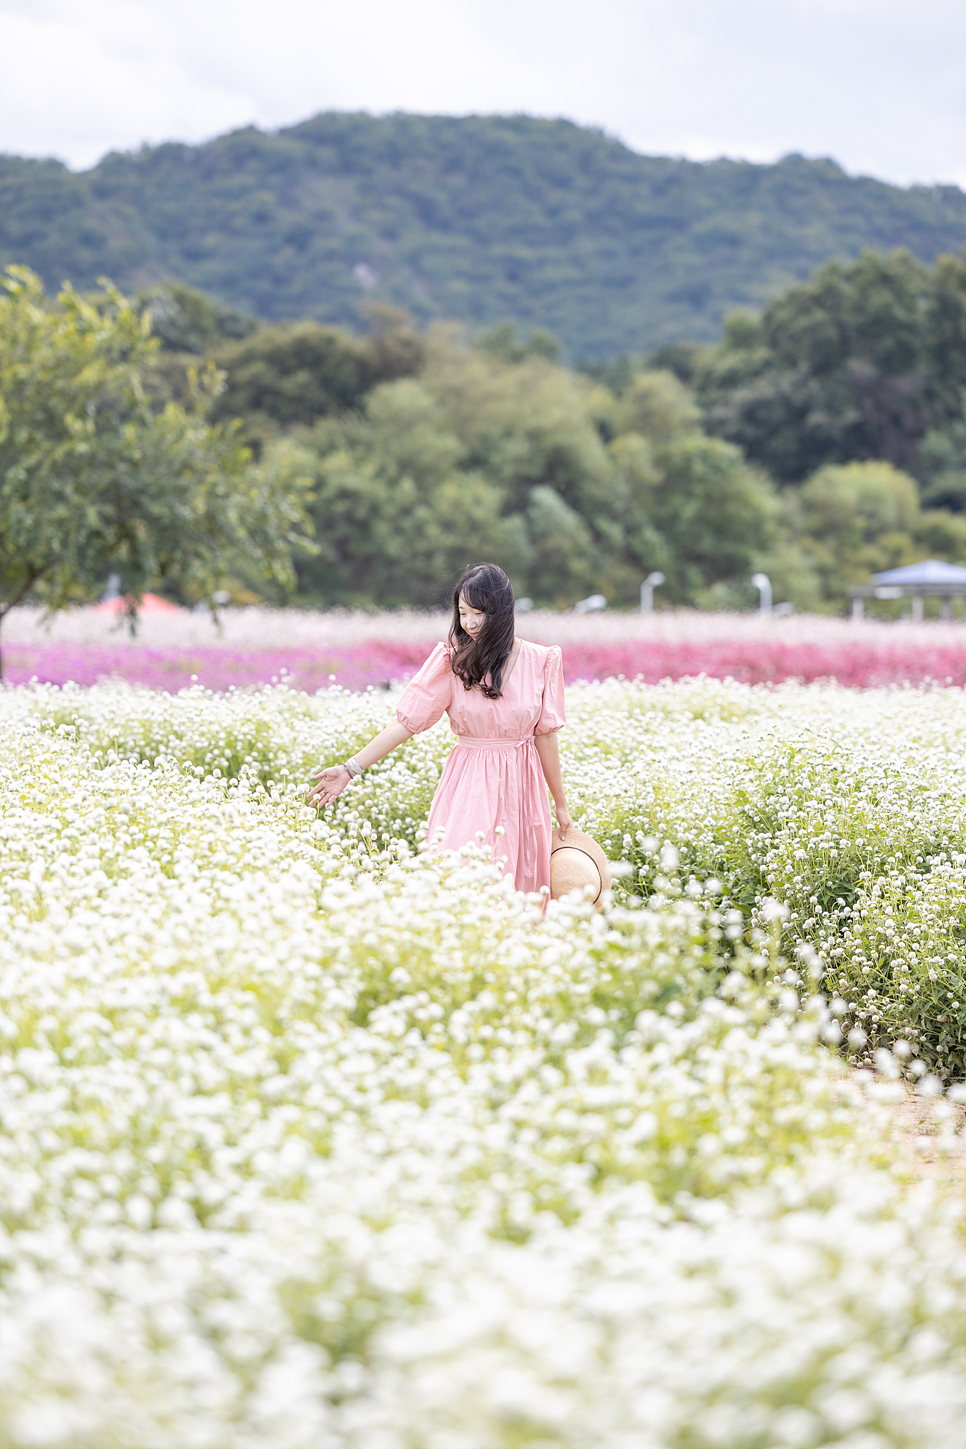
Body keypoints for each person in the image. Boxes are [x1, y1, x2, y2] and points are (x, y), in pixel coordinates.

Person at [307, 563, 572, 895]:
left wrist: (560, 803)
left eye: (480, 612)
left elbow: (546, 735)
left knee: (519, 885)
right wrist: (350, 769)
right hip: (470, 783)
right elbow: (406, 723)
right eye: (463, 613)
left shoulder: (541, 660)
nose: (470, 623)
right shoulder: (452, 661)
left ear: (502, 611)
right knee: (459, 877)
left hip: (523, 786)